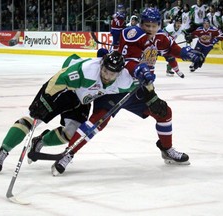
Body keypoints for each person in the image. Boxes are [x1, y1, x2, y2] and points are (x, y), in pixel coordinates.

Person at [28, 8, 205, 176]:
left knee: (164, 113)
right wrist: (138, 70)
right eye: (147, 25)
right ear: (141, 23)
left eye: (154, 25)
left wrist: (191, 54)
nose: (150, 29)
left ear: (159, 24)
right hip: (115, 86)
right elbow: (127, 61)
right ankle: (69, 153)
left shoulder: (161, 37)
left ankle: (167, 150)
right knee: (98, 122)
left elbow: (175, 49)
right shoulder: (133, 34)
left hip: (138, 88)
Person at [0, 51, 153, 174]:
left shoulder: (123, 80)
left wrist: (149, 82)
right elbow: (61, 77)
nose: (107, 76)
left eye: (112, 73)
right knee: (33, 119)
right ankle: (1, 152)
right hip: (64, 90)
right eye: (105, 71)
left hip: (82, 99)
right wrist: (46, 97)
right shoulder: (87, 71)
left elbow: (142, 83)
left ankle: (41, 140)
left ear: (118, 73)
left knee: (70, 133)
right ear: (101, 65)